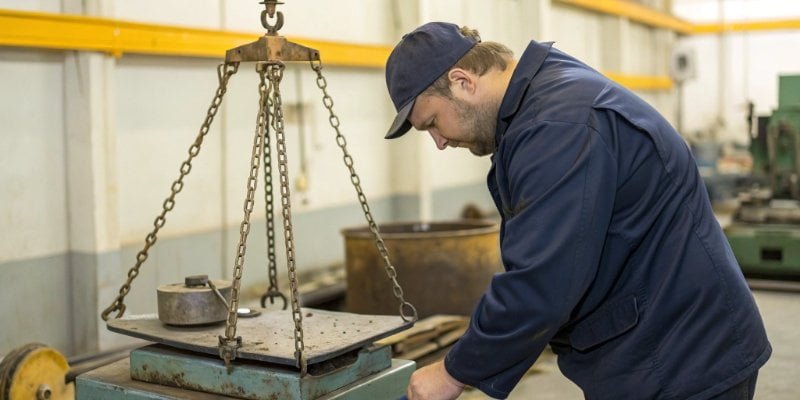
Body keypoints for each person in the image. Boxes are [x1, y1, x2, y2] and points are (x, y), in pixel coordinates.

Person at [383, 22, 771, 400]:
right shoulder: (547, 93)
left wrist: (454, 371)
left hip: (679, 358)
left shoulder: (557, 124)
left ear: (463, 82)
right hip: (664, 340)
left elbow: (542, 280)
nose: (439, 142)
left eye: (432, 123)